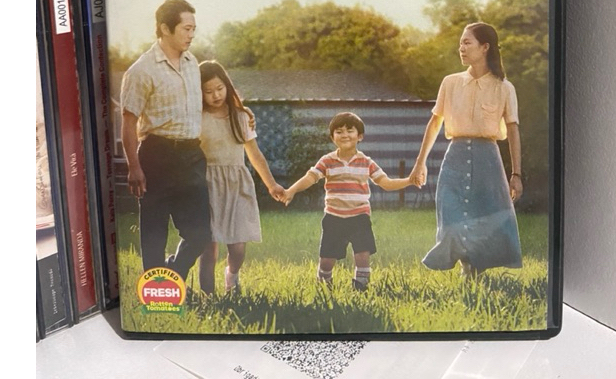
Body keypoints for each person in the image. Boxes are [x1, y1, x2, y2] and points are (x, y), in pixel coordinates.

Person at [411, 22, 523, 278]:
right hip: (455, 158)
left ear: (485, 47)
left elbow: (513, 130)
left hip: (488, 160)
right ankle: (465, 265)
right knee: (451, 216)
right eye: (460, 43)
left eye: (466, 42)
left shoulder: (504, 88)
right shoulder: (450, 83)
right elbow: (435, 123)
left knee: (487, 217)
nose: (460, 48)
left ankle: (474, 271)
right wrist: (420, 163)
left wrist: (516, 174)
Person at [120, 0, 211, 282]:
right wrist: (134, 167)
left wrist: (241, 114)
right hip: (157, 155)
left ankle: (172, 276)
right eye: (186, 28)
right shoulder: (141, 70)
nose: (191, 34)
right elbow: (128, 122)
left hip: (192, 155)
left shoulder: (192, 63)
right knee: (154, 232)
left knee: (200, 233)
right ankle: (156, 292)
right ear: (164, 28)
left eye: (193, 29)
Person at [282, 112, 414, 291]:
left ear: (360, 136)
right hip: (334, 217)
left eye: (350, 131)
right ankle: (324, 287)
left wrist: (409, 181)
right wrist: (291, 190)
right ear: (332, 137)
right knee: (327, 259)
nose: (344, 135)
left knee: (362, 255)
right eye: (339, 131)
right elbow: (310, 177)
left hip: (360, 217)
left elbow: (386, 183)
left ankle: (361, 288)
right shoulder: (327, 161)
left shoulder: (366, 162)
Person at [196, 60, 285, 295]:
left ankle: (232, 277)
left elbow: (255, 154)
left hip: (236, 185)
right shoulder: (197, 118)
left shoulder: (241, 116)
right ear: (199, 92)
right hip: (207, 185)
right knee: (208, 248)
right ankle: (207, 295)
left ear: (227, 86)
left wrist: (272, 184)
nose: (216, 95)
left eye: (219, 88)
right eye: (208, 91)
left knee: (237, 247)